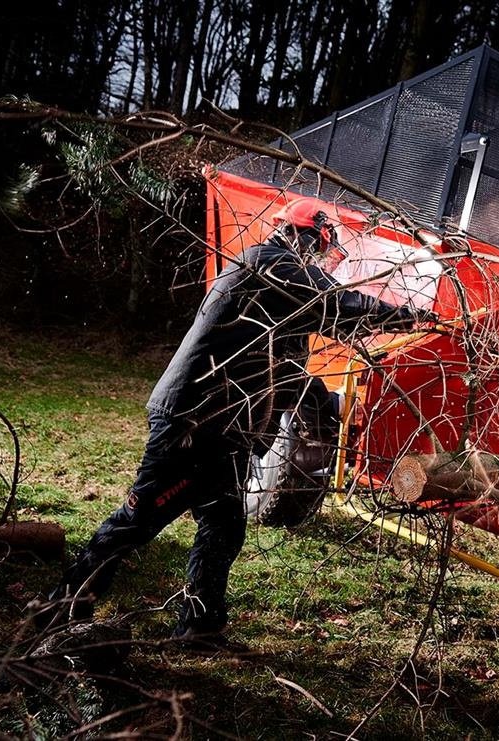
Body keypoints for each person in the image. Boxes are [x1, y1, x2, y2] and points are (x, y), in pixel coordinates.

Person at [31, 199, 435, 642]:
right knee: (139, 519)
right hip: (195, 421)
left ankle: (200, 627)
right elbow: (338, 304)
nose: (322, 261)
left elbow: (288, 369)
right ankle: (58, 609)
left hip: (224, 428)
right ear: (304, 235)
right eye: (321, 249)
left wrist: (326, 409)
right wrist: (415, 317)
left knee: (224, 526)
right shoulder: (270, 264)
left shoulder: (277, 299)